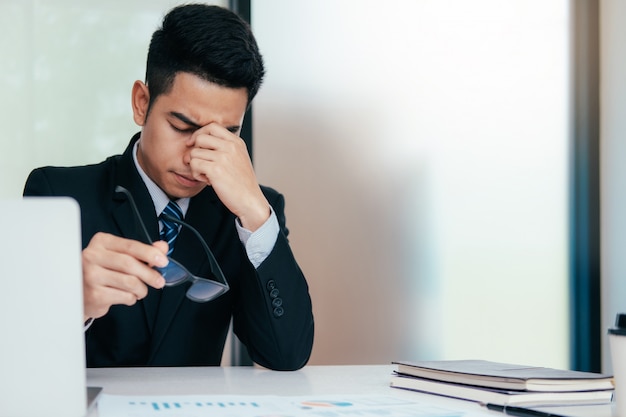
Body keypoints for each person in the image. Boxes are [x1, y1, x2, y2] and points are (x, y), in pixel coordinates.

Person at [23, 4, 314, 371]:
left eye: (225, 135)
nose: (199, 158)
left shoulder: (250, 213)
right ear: (141, 103)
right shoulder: (59, 194)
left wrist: (256, 213)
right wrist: (72, 302)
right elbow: (19, 353)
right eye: (183, 127)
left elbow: (286, 355)